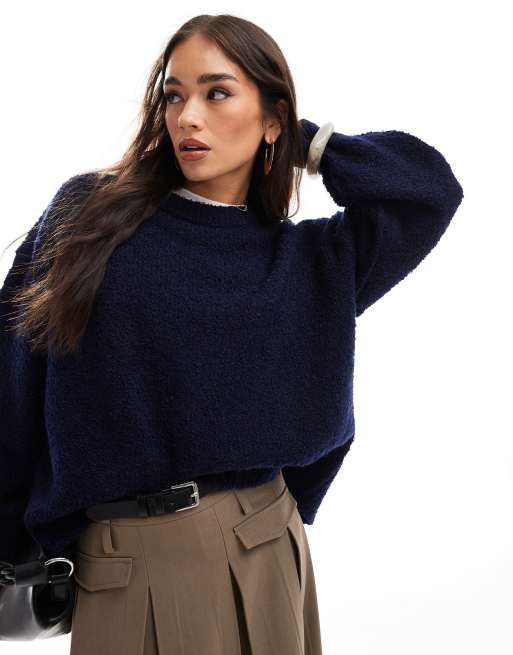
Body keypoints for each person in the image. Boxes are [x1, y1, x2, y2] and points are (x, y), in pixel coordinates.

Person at [0, 13, 463, 655]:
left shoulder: (307, 262)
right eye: (174, 96)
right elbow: (12, 382)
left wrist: (306, 142)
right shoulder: (87, 215)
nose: (188, 117)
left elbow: (428, 191)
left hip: (268, 543)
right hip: (124, 561)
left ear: (271, 117)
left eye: (217, 93)